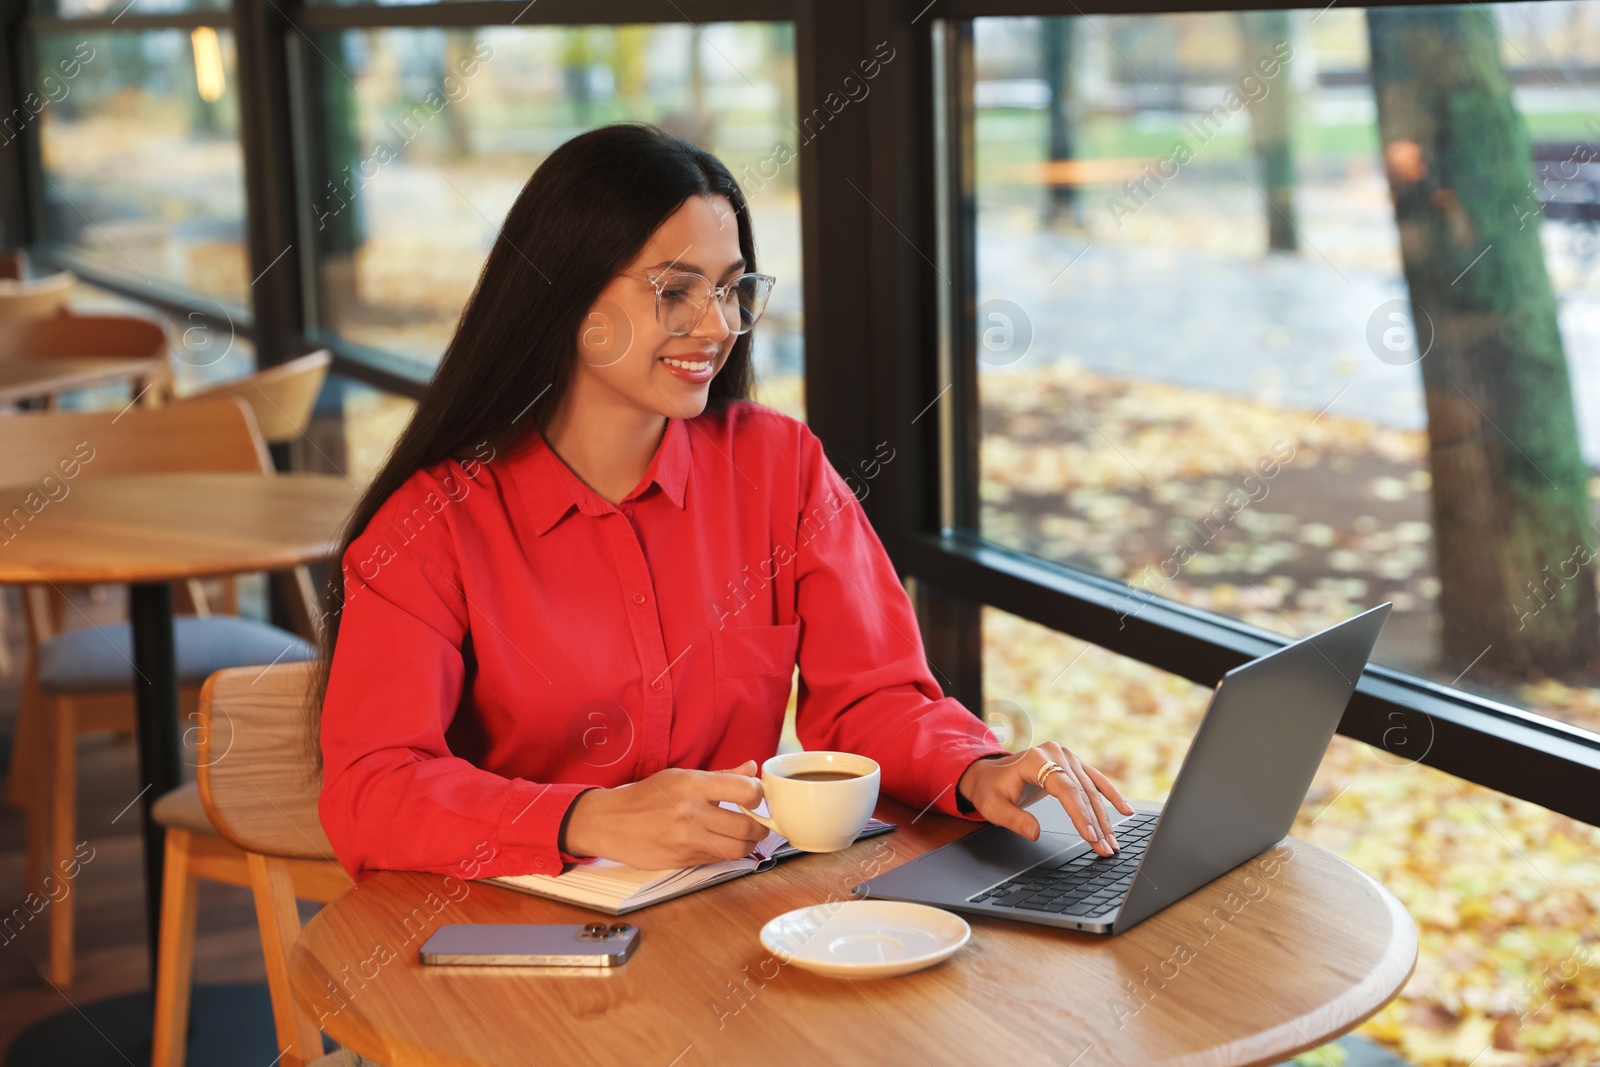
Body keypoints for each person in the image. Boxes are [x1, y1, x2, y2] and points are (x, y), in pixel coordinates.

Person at [311, 122, 1133, 885]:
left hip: (730, 919)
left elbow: (873, 697)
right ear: (564, 293)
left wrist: (975, 767)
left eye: (735, 288)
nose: (719, 324)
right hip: (525, 941)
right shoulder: (432, 524)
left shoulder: (780, 467)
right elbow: (372, 787)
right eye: (676, 290)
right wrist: (586, 817)